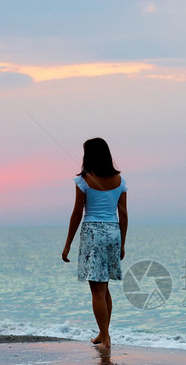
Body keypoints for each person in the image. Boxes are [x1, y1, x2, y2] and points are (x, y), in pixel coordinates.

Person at [62, 138, 128, 350]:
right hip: (113, 232)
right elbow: (124, 215)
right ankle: (103, 333)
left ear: (88, 155)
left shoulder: (84, 180)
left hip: (93, 232)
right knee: (105, 286)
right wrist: (123, 243)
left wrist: (67, 244)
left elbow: (76, 214)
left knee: (97, 290)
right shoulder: (120, 180)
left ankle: (106, 338)